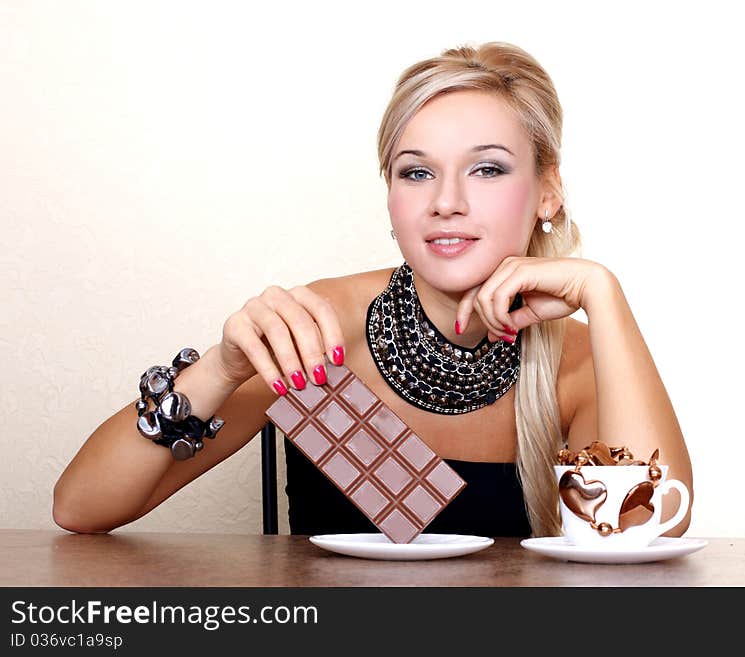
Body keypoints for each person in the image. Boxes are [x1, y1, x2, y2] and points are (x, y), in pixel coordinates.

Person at [53, 41, 693, 539]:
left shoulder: (575, 363)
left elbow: (639, 533)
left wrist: (602, 294)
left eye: (488, 169)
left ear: (548, 190)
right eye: (417, 173)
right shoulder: (320, 329)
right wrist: (221, 368)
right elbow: (80, 507)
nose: (447, 202)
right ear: (392, 197)